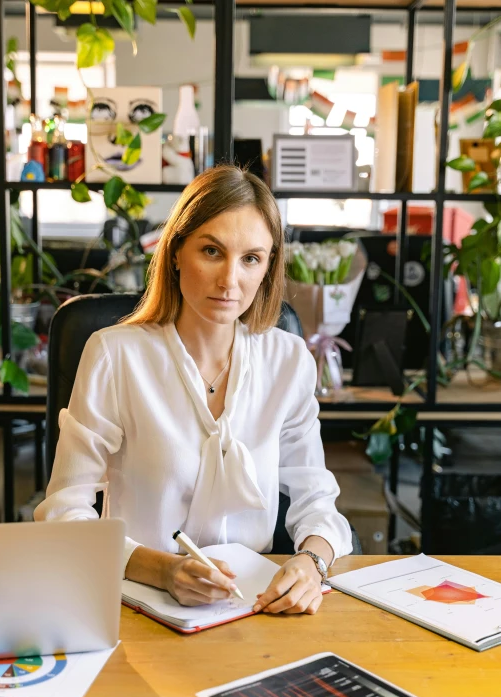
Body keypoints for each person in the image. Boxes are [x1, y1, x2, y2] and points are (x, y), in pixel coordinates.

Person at [35, 165, 352, 615]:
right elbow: (64, 512)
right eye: (211, 251)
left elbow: (316, 498)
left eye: (251, 259)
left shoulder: (288, 360)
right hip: (136, 601)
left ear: (268, 266)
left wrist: (311, 561)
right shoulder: (115, 354)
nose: (230, 281)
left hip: (255, 606)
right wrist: (162, 570)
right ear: (176, 252)